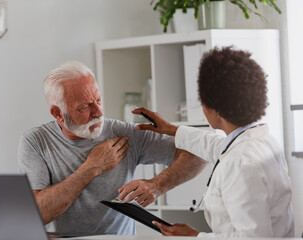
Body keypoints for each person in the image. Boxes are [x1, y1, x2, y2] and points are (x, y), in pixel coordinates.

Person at [17, 61, 207, 236]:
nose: (98, 113)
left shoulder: (124, 133)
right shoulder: (35, 142)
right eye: (85, 107)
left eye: (98, 100)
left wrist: (157, 185)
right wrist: (91, 168)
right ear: (58, 113)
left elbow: (200, 152)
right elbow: (37, 214)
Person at [133, 47, 295, 238]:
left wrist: (195, 236)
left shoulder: (240, 162)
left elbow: (254, 238)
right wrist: (171, 129)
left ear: (215, 109)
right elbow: (215, 145)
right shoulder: (260, 140)